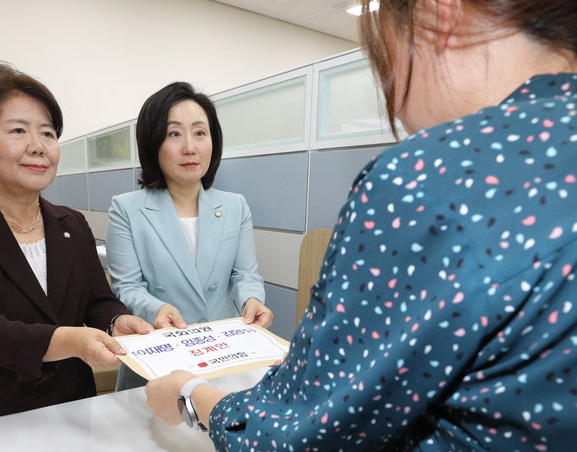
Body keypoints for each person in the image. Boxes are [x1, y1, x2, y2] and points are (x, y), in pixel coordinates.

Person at [145, 1, 577, 451]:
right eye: (175, 133)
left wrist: (190, 394)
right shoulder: (129, 208)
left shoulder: (429, 180)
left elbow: (296, 431)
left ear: (438, 13)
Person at [0, 63, 152, 432]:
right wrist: (69, 339)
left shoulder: (71, 223)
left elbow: (95, 299)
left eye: (48, 133)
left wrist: (116, 320)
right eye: (18, 131)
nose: (38, 147)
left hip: (69, 407)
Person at [106, 82, 273, 390]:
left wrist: (252, 299)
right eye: (174, 134)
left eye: (199, 132)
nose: (189, 147)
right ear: (152, 142)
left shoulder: (235, 206)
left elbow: (245, 275)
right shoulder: (126, 209)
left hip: (225, 357)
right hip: (160, 361)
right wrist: (156, 309)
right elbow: (127, 287)